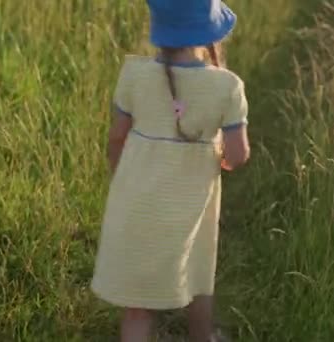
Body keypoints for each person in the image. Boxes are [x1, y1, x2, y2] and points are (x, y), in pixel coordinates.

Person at [91, 0, 250, 340]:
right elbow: (238, 155)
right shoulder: (228, 87)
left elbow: (117, 137)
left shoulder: (134, 75)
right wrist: (221, 158)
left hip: (137, 201)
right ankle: (202, 337)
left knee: (137, 303)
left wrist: (120, 178)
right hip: (191, 205)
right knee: (197, 273)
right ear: (208, 33)